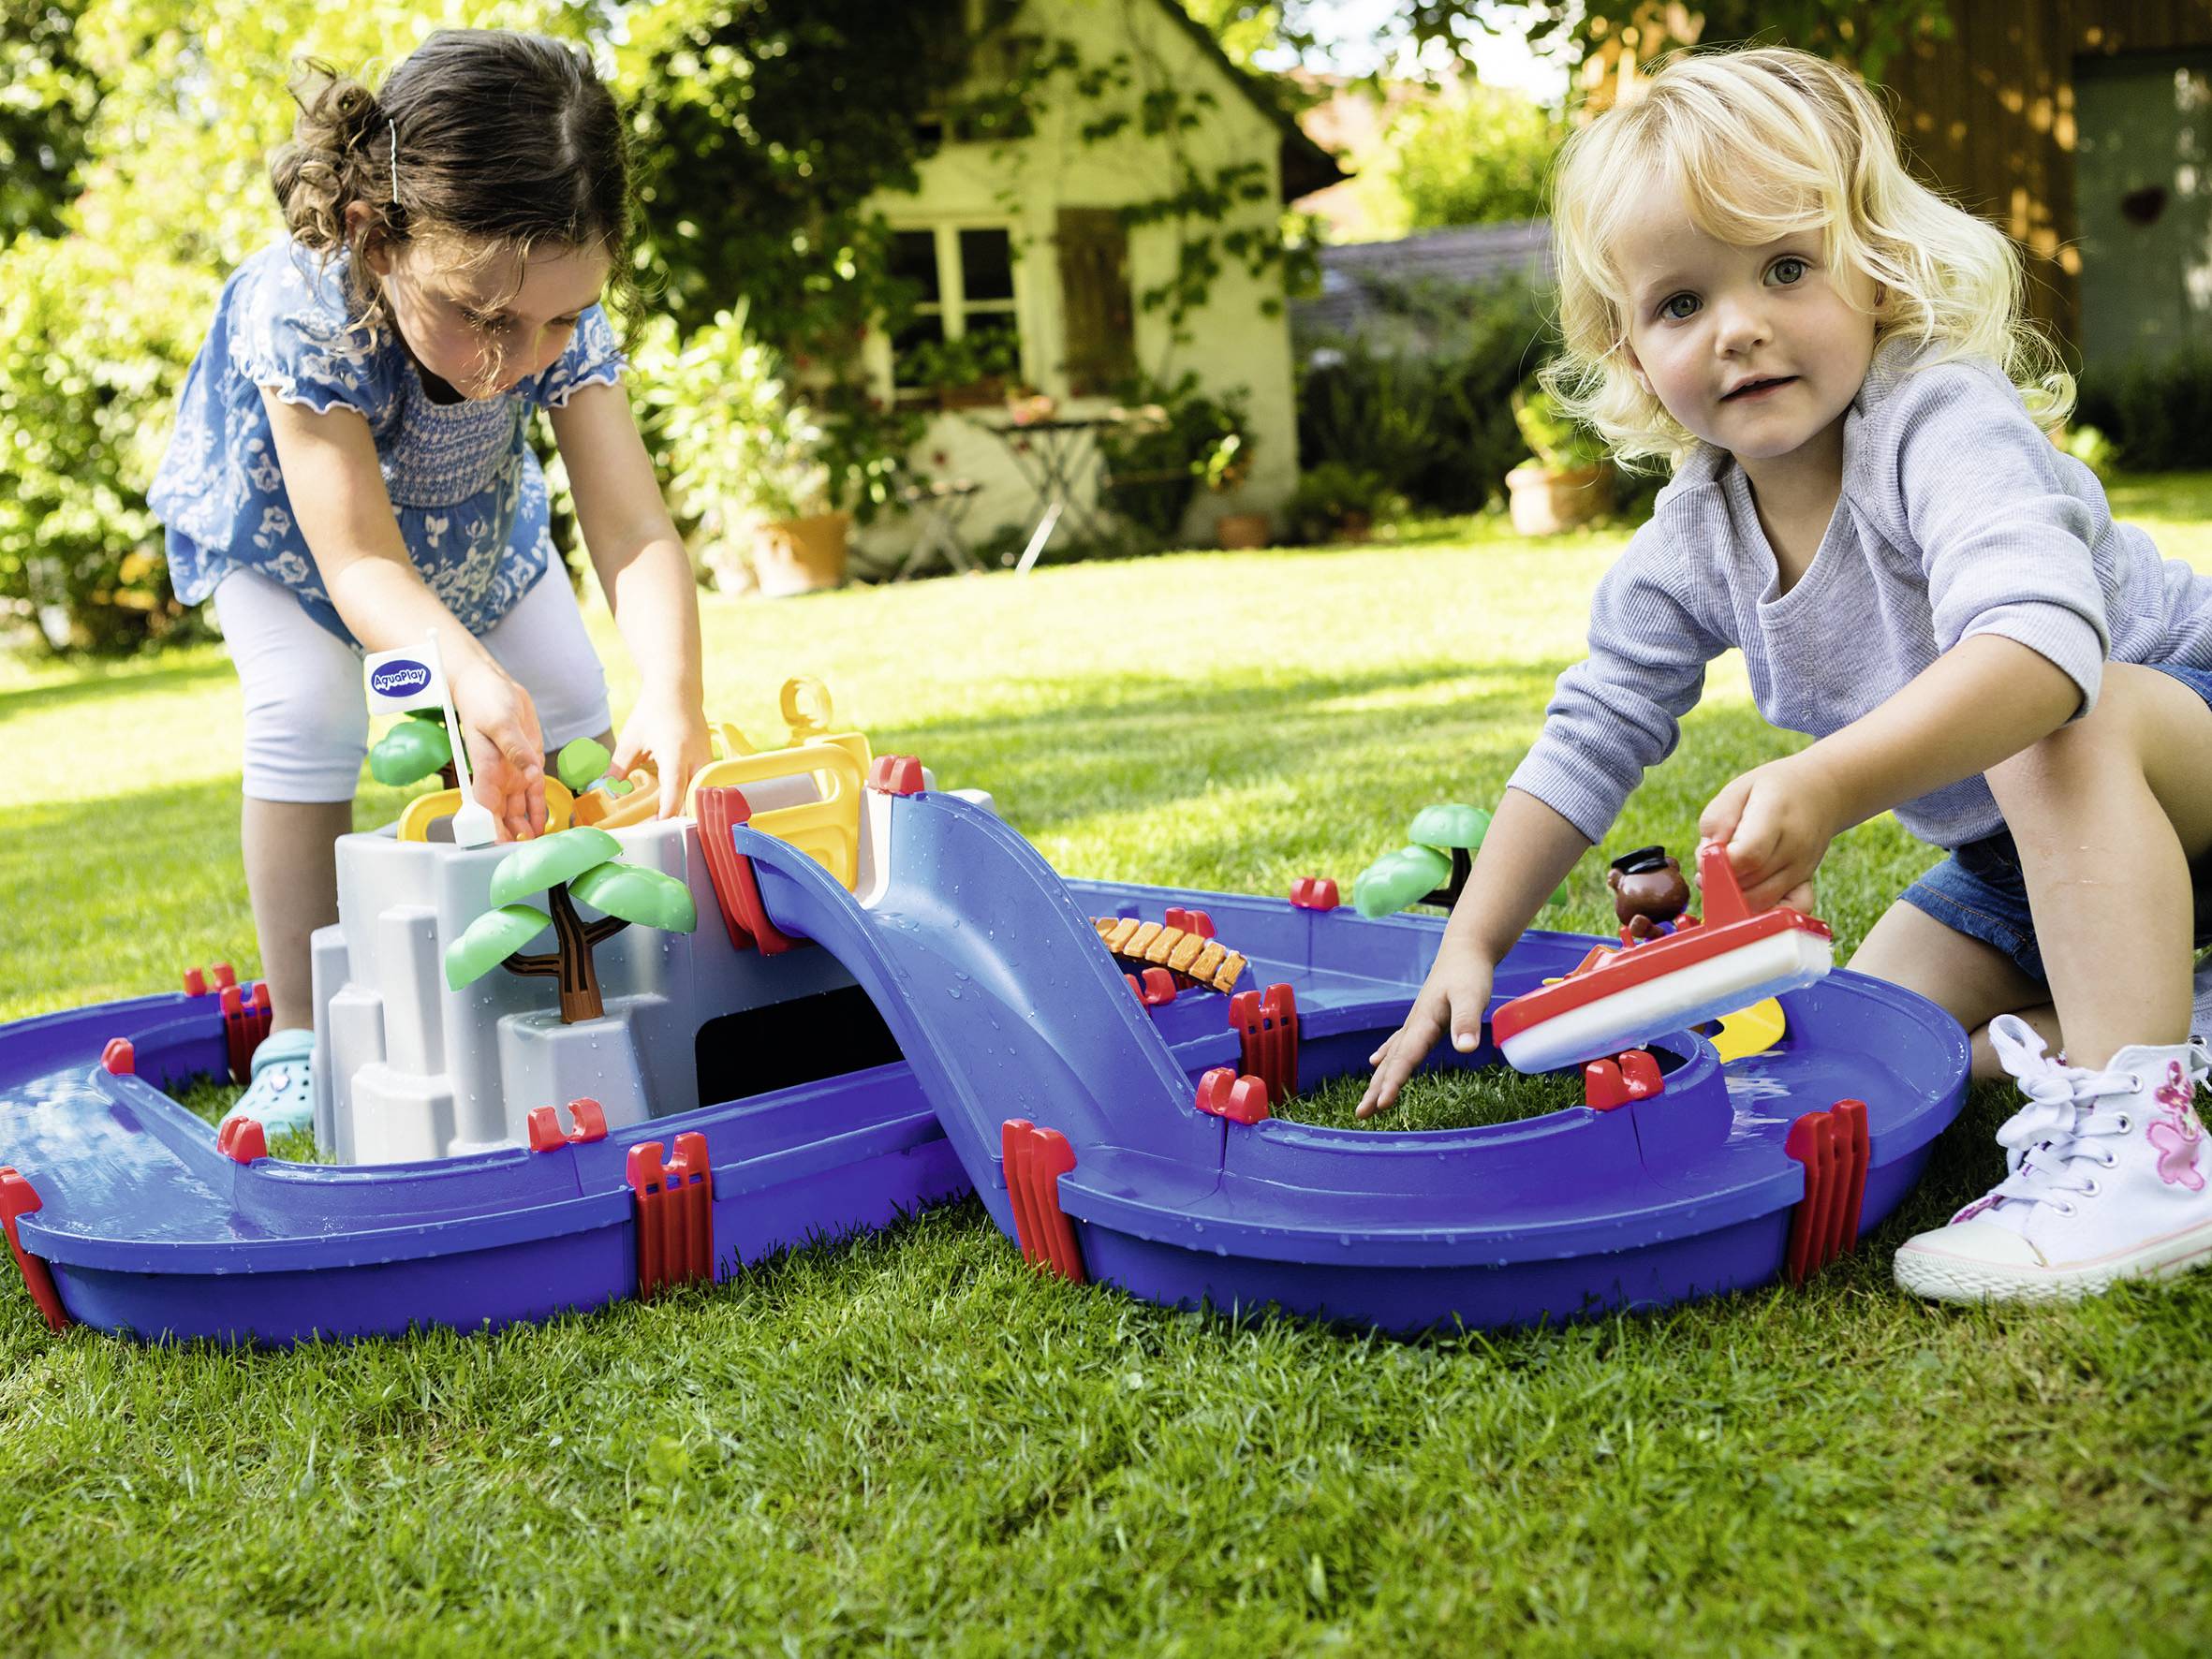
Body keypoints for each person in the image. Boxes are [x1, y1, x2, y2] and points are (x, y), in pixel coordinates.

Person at [1357, 46, 2212, 1304]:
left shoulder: (1938, 422)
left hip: (2167, 752)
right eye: (1678, 303)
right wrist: (1472, 938)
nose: (1738, 325)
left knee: (2049, 721)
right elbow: (1596, 722)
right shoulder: (1694, 534)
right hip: (2020, 863)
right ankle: (2153, 1012)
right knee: (1854, 1046)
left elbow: (2038, 657)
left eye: (1783, 268)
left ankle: (2149, 1148)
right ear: (1632, 352)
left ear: (1871, 265)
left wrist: (1824, 784)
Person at [148, 31, 710, 1132]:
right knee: (307, 711)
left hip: (476, 545)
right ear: (373, 231)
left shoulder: (557, 315)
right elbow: (356, 558)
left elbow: (632, 522)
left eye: (556, 318)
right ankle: (300, 1027)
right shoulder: (299, 307)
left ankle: (573, 974)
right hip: (299, 560)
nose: (522, 356)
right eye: (485, 318)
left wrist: (674, 687)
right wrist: (459, 673)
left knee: (568, 699)